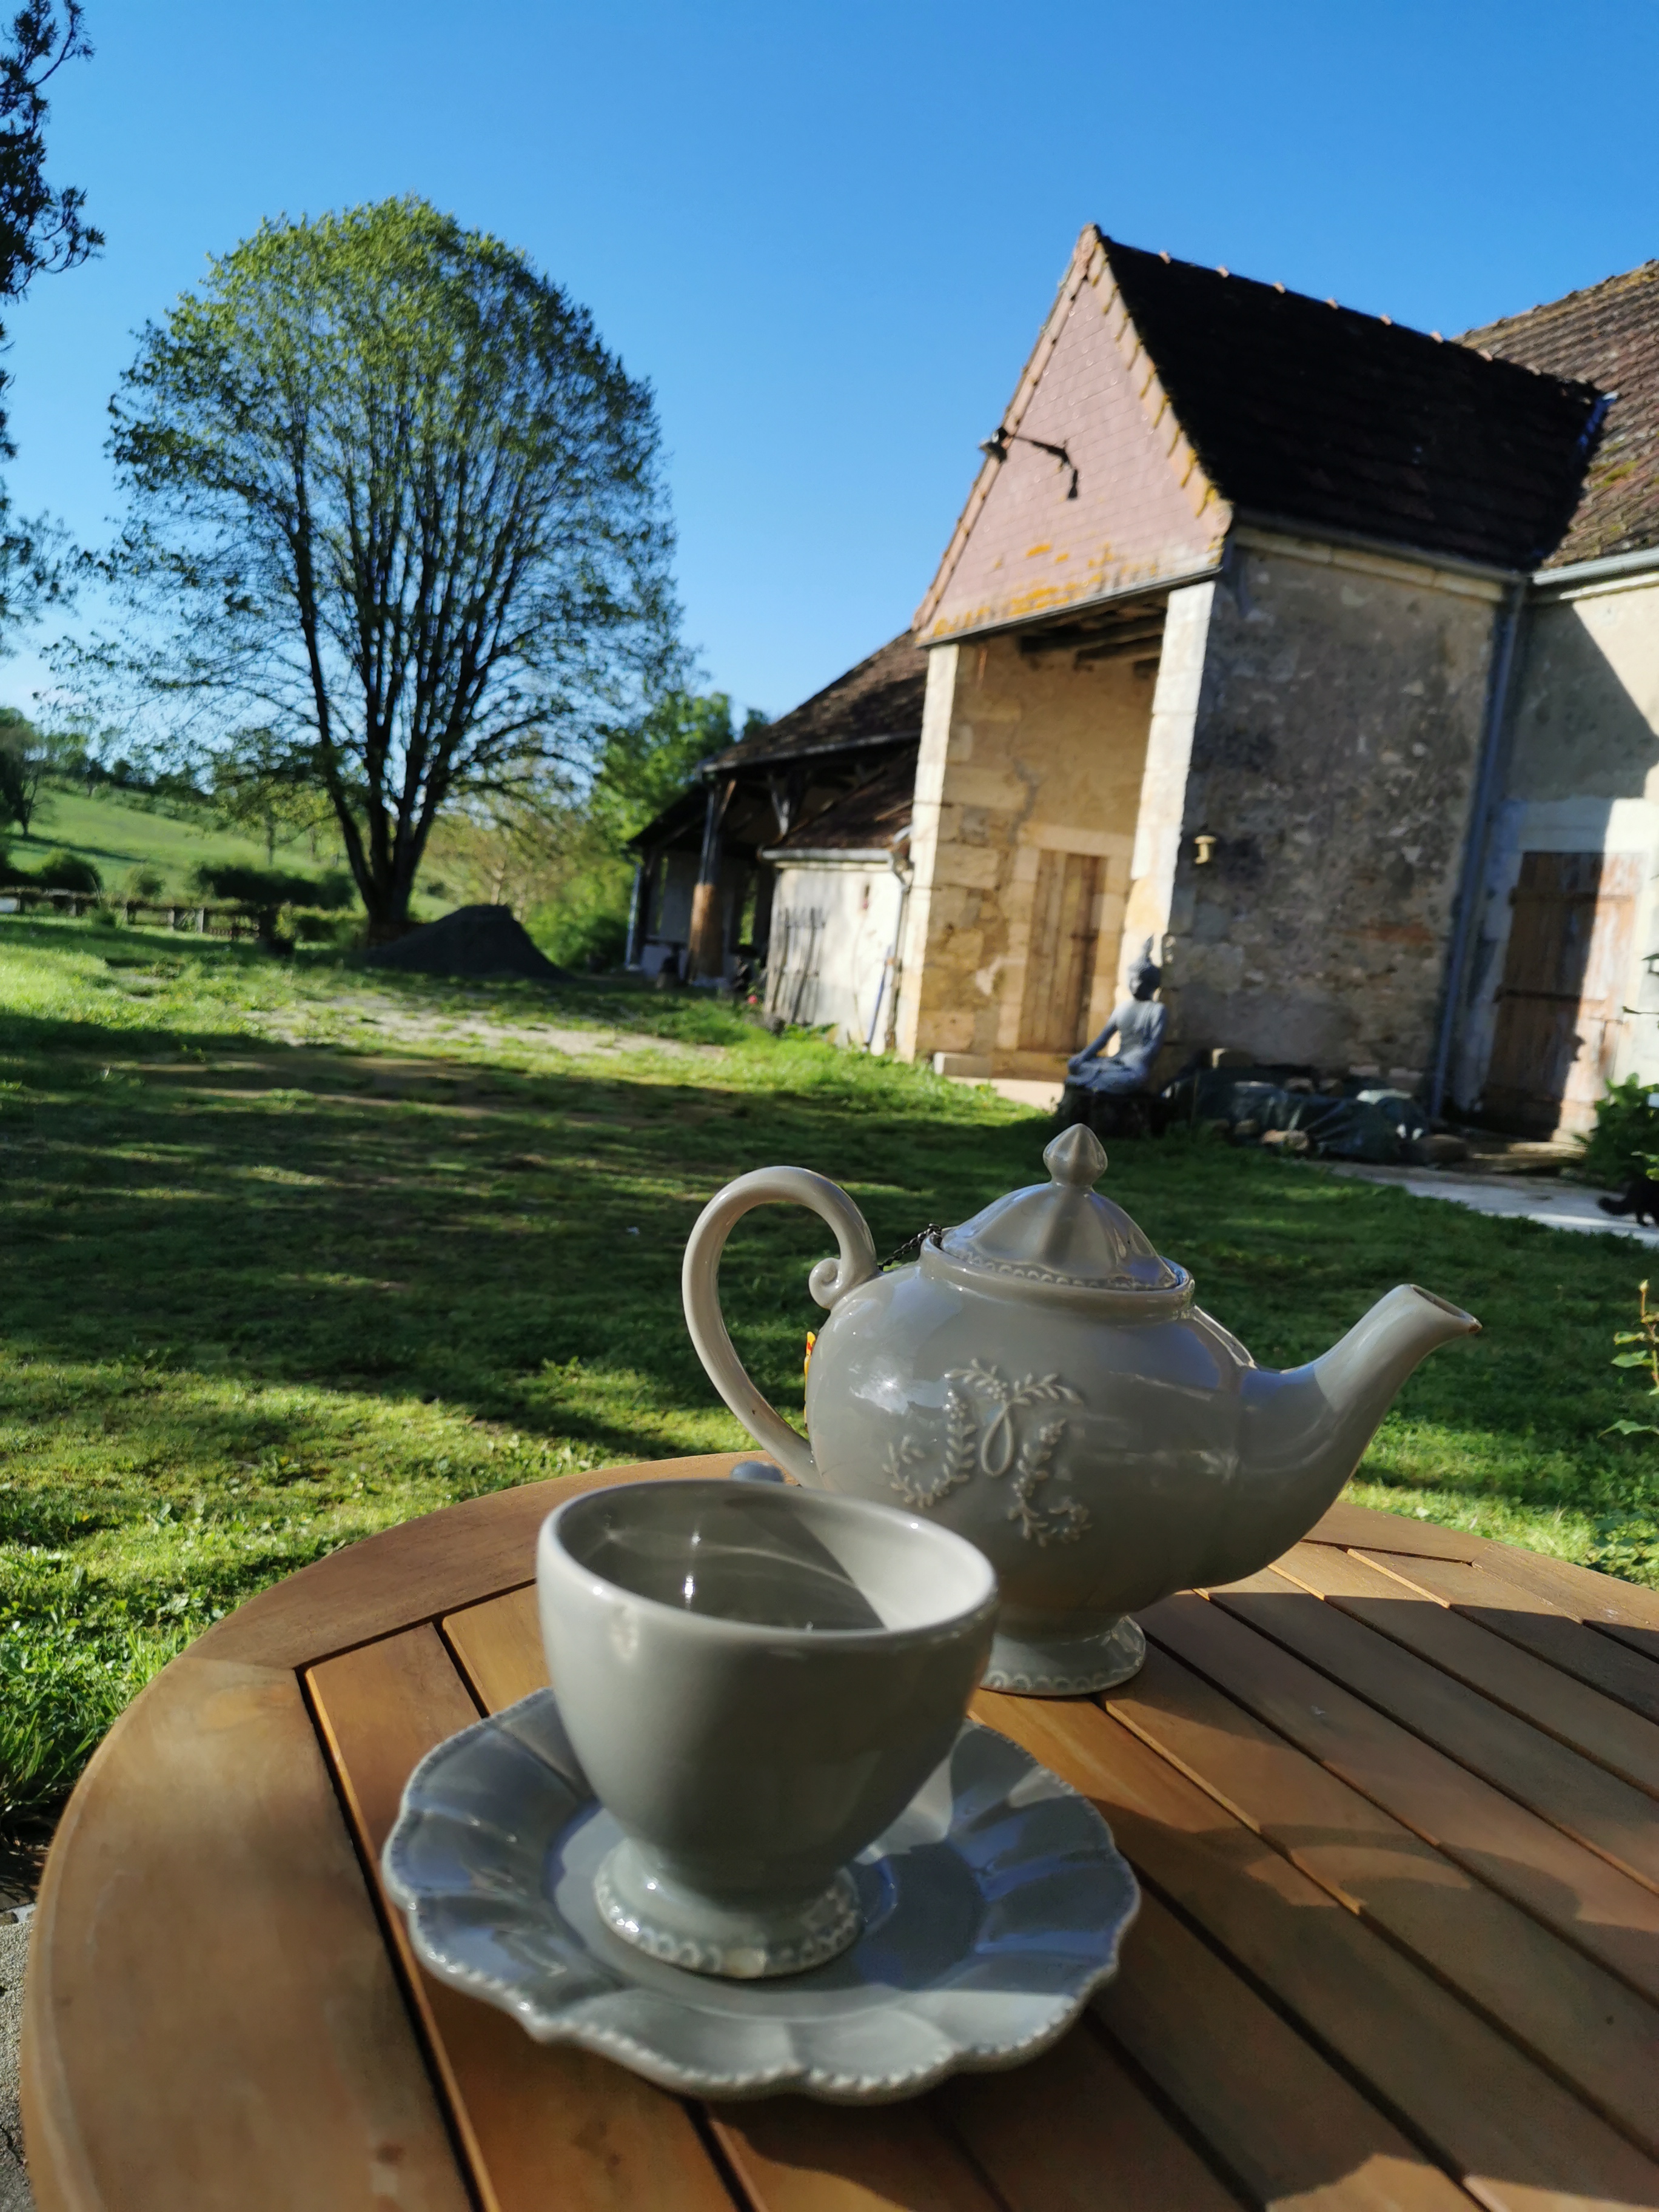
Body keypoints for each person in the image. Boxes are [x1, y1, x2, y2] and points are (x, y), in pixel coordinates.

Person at [1067, 939, 1167, 1094]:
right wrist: (1082, 1056)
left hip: (1133, 1067)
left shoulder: (1157, 1010)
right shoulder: (1123, 1008)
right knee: (1076, 1066)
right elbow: (1102, 1040)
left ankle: (1097, 1083)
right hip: (1115, 1062)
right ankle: (1097, 1081)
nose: (1135, 984)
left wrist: (1132, 1061)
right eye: (1132, 980)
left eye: (1139, 980)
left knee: (1128, 1079)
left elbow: (1154, 1045)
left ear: (1151, 984)